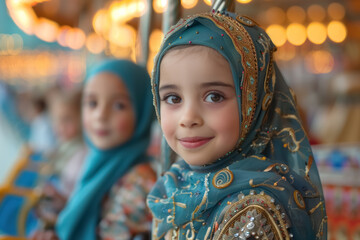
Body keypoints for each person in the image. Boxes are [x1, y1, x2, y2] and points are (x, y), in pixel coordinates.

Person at [146, 11, 327, 240]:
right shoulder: (175, 183)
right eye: (173, 98)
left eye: (214, 97)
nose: (188, 117)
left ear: (254, 102)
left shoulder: (253, 209)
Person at [32, 59, 157, 240]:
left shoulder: (139, 185)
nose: (101, 115)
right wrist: (69, 206)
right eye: (92, 103)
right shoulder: (98, 163)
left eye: (118, 105)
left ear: (142, 111)